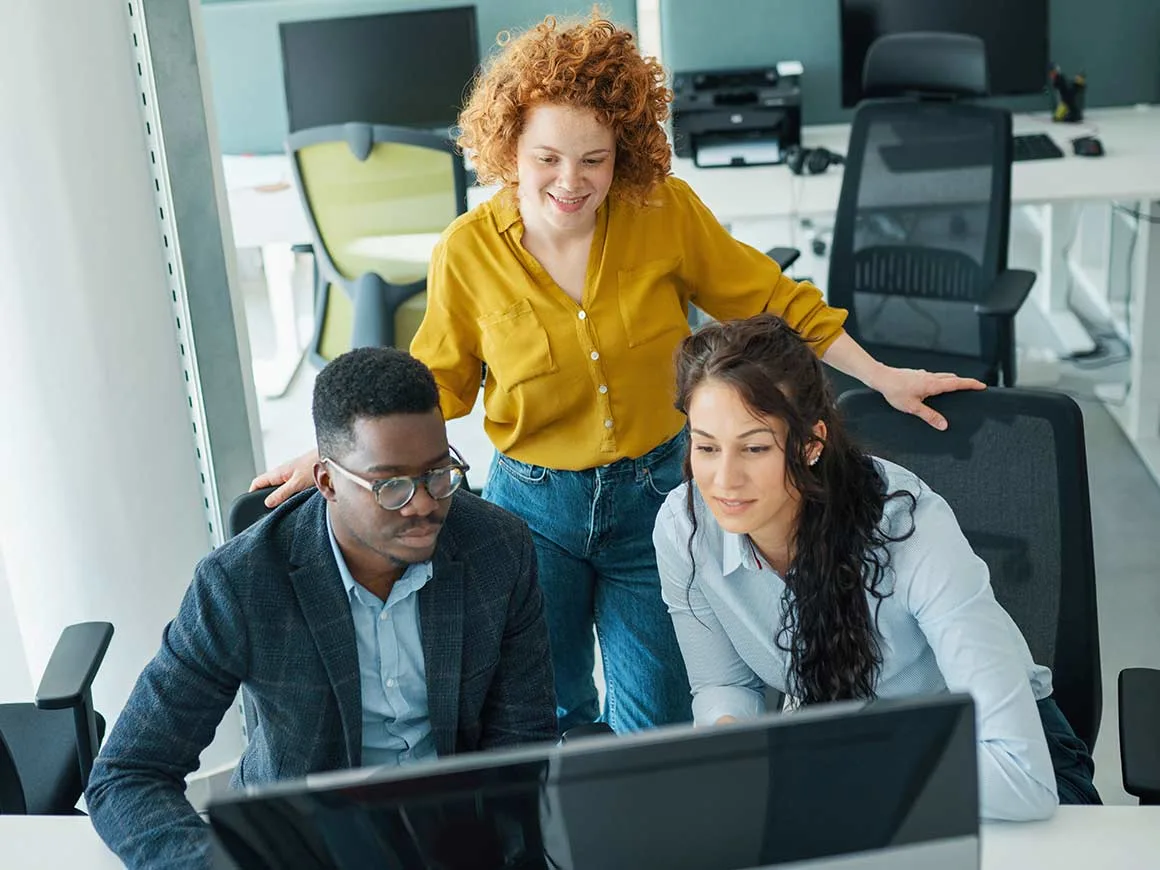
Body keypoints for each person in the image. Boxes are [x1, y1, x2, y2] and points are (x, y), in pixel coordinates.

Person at [252, 14, 983, 735]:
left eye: (593, 159)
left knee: (655, 721)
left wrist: (882, 374)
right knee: (549, 713)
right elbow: (437, 385)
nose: (570, 181)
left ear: (621, 151)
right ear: (509, 147)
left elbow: (776, 300)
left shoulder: (663, 212)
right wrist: (344, 453)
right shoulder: (467, 252)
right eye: (546, 158)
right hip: (532, 513)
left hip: (658, 502)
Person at [87, 348, 557, 869]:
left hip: (457, 838)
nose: (424, 503)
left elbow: (521, 745)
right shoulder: (241, 584)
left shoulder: (498, 548)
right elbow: (128, 774)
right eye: (392, 486)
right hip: (303, 847)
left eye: (438, 473)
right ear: (328, 482)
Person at [653, 313, 1101, 821]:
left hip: (993, 767)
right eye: (706, 447)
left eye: (754, 447)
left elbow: (1024, 778)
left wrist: (835, 766)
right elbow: (723, 683)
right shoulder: (684, 531)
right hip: (852, 763)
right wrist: (730, 737)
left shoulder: (908, 528)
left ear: (810, 444)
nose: (723, 480)